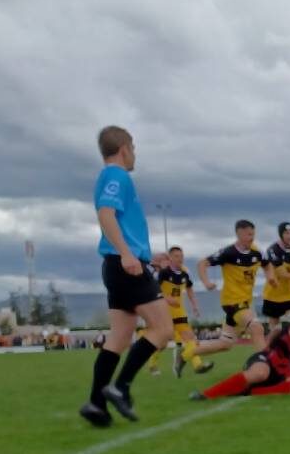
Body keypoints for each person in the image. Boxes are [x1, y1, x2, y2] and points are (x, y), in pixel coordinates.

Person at [80, 126, 173, 427]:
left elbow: (116, 220)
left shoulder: (109, 177)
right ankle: (120, 387)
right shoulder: (117, 176)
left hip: (117, 265)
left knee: (118, 338)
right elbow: (106, 214)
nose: (135, 154)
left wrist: (143, 255)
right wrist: (128, 254)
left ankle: (96, 404)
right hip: (124, 265)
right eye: (133, 147)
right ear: (124, 148)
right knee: (163, 329)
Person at [191, 308, 290, 400]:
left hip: (283, 379)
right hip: (266, 362)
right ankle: (206, 395)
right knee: (260, 373)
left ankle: (253, 391)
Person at [193, 220, 269, 357]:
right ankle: (266, 366)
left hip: (245, 304)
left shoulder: (256, 253)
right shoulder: (229, 253)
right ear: (238, 234)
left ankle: (187, 352)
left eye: (253, 234)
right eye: (248, 235)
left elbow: (267, 264)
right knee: (257, 327)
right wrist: (206, 283)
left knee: (225, 344)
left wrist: (271, 278)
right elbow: (202, 264)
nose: (251, 238)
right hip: (233, 302)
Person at [154, 247, 214, 377]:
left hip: (179, 312)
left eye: (181, 256)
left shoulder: (184, 274)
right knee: (163, 343)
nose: (180, 258)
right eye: (176, 256)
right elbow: (155, 290)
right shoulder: (163, 273)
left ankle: (197, 365)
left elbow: (190, 290)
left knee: (191, 339)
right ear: (170, 259)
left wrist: (195, 306)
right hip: (164, 312)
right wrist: (168, 299)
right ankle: (153, 363)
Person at [263, 222, 290, 331]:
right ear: (281, 234)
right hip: (273, 294)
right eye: (286, 233)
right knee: (274, 328)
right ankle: (272, 346)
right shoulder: (273, 250)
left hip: (288, 295)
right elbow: (281, 273)